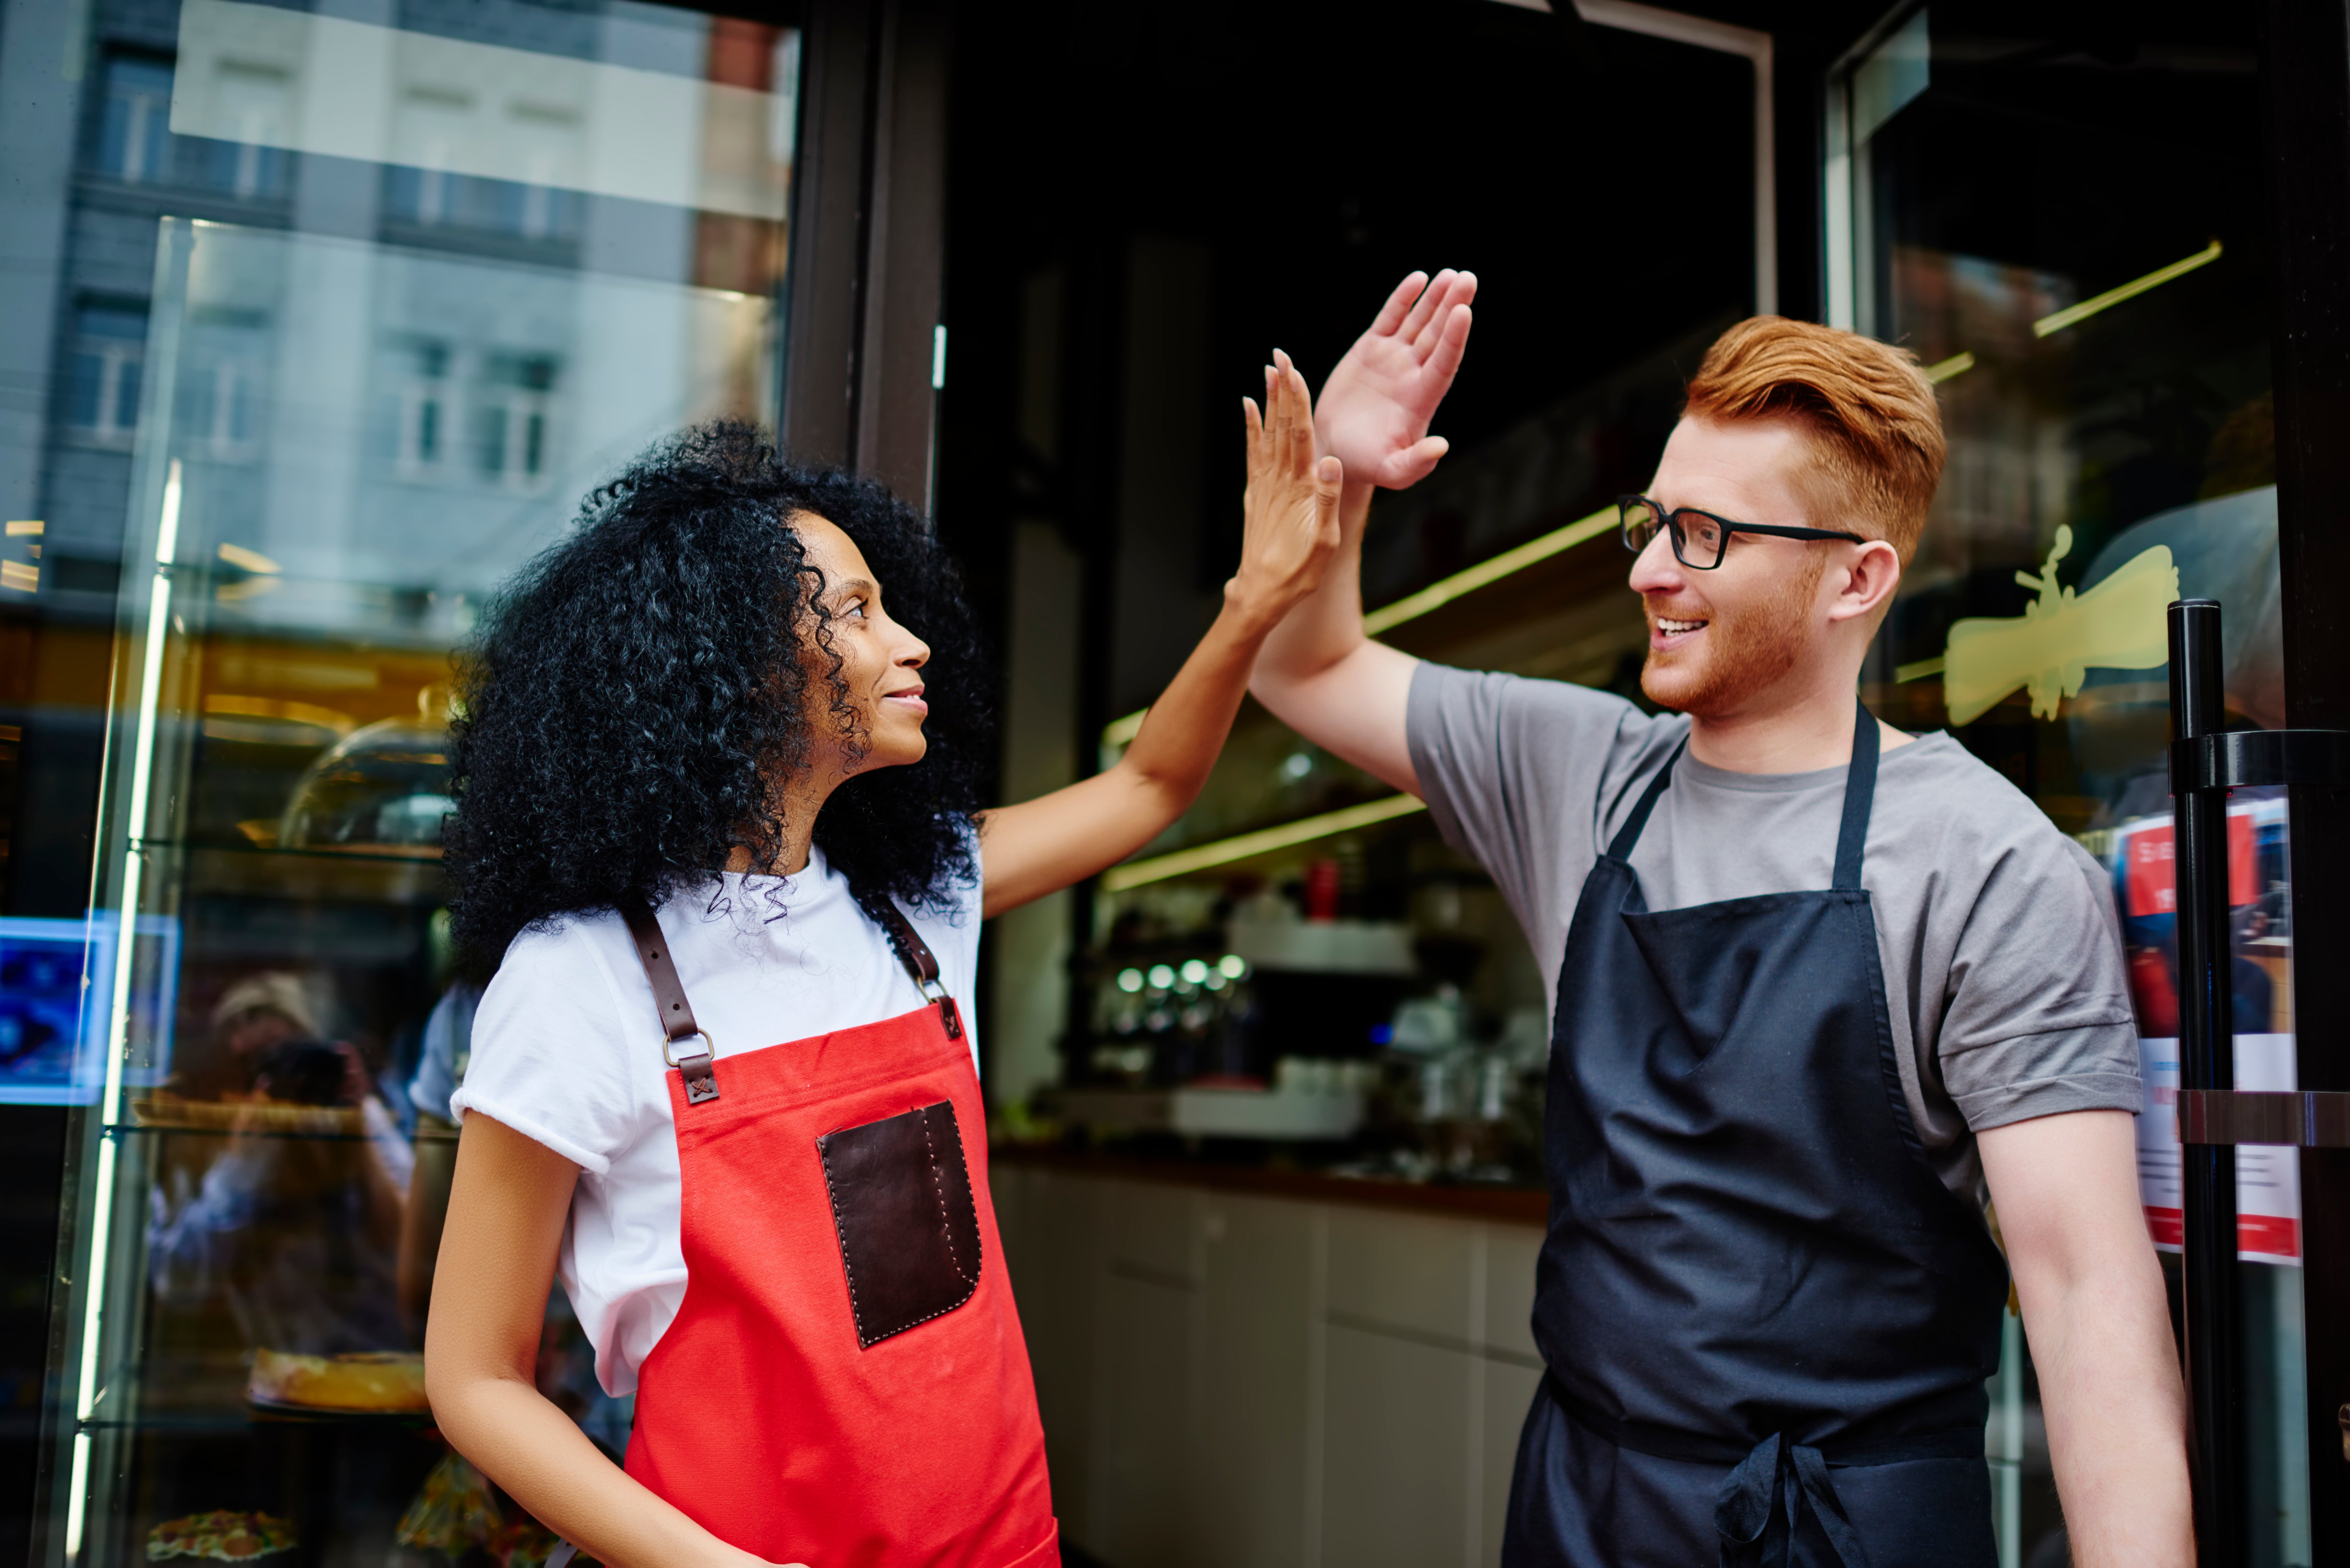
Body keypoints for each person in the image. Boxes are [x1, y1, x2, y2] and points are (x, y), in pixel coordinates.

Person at [1252, 276, 2191, 1566]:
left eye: (1703, 535)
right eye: (1651, 520)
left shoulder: (1990, 865)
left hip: (1851, 1527)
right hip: (1585, 1500)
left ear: (1857, 578)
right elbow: (1302, 665)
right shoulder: (1576, 772)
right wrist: (1344, 485)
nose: (1647, 567)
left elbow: (2087, 1296)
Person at [422, 363, 1342, 1568]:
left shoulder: (911, 909)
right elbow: (473, 1379)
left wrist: (1253, 599)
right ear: (737, 669)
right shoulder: (581, 979)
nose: (909, 642)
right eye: (854, 614)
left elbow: (1149, 784)